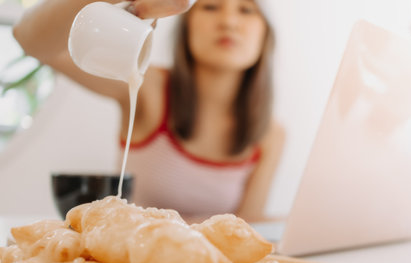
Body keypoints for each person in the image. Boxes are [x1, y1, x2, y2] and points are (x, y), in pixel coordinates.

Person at [13, 0, 285, 222]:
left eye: (247, 10)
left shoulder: (270, 134)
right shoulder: (146, 86)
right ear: (186, 27)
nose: (229, 21)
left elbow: (248, 227)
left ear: (266, 35)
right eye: (211, 7)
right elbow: (29, 40)